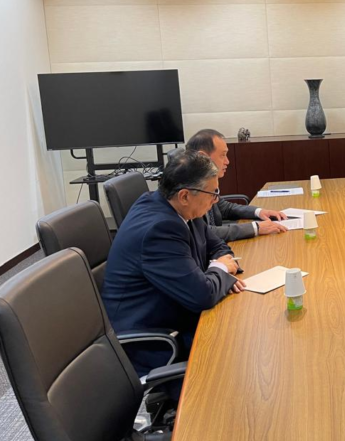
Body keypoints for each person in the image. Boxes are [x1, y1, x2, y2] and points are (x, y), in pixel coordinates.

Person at [102, 149, 245, 377]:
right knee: (237, 366)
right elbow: (203, 295)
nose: (216, 200)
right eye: (213, 193)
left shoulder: (180, 208)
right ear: (185, 196)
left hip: (178, 311)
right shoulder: (160, 230)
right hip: (156, 344)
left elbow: (217, 245)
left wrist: (220, 271)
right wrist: (221, 270)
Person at [185, 129, 287, 241]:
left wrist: (259, 212)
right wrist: (255, 228)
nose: (227, 161)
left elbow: (225, 208)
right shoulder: (190, 189)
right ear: (202, 157)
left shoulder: (206, 182)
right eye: (222, 155)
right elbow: (204, 233)